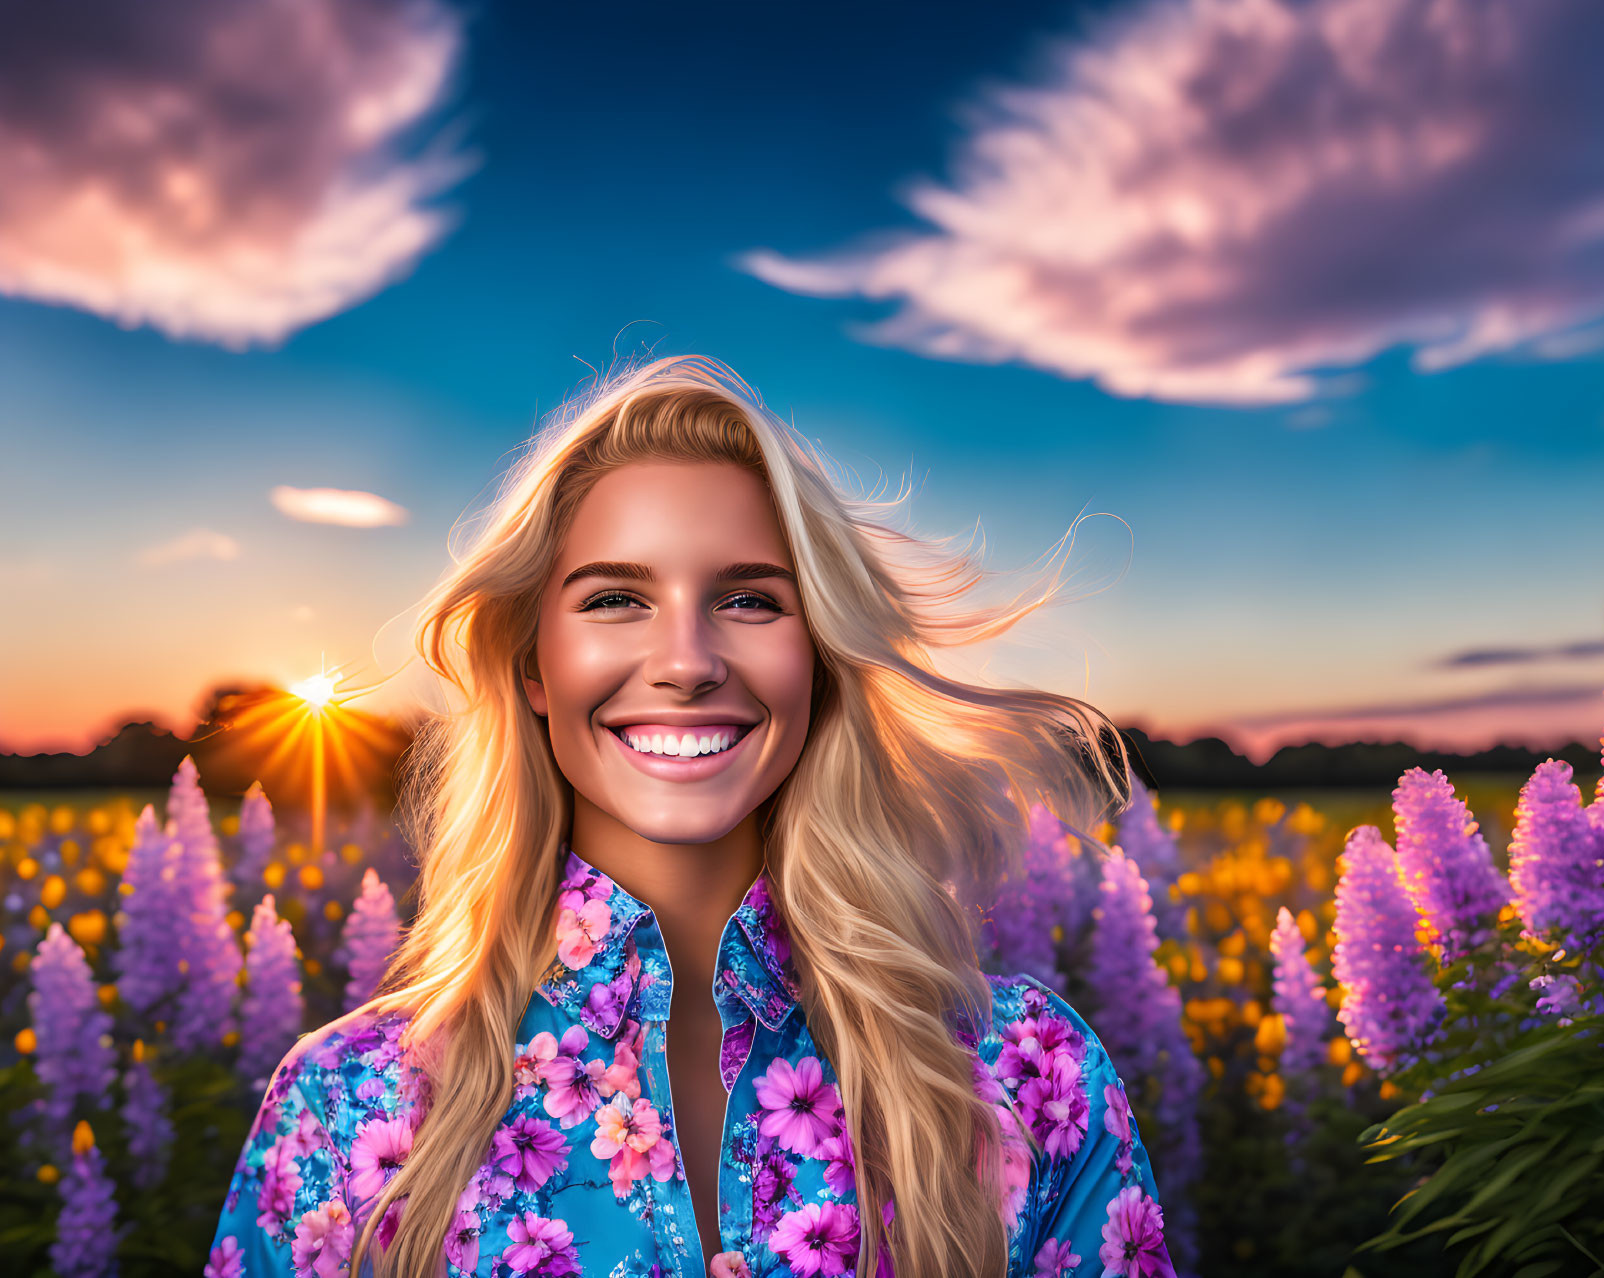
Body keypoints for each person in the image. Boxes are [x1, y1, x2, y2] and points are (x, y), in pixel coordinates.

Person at [205, 355, 1177, 1278]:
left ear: (821, 658)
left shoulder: (1028, 1072)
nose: (686, 660)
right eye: (617, 598)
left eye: (750, 600)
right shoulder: (344, 1103)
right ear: (533, 665)